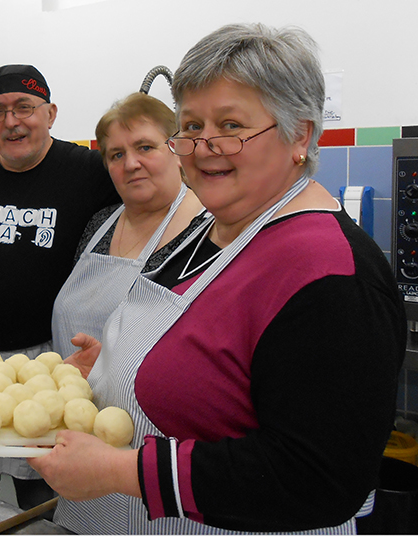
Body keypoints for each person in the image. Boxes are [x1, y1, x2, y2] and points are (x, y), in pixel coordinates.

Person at [28, 23, 406, 534]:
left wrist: (121, 470)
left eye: (231, 125)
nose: (204, 146)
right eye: (191, 125)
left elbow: (318, 478)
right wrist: (117, 365)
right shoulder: (210, 225)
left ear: (300, 134)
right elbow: (212, 357)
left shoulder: (331, 272)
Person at [0, 64, 121, 510]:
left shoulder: (87, 170)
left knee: (46, 498)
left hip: (47, 367)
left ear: (51, 113)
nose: (12, 121)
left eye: (24, 107)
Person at [51, 92, 205, 357]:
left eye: (145, 147)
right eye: (117, 155)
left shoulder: (208, 230)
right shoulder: (100, 223)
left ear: (178, 149)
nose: (131, 164)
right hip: (67, 393)